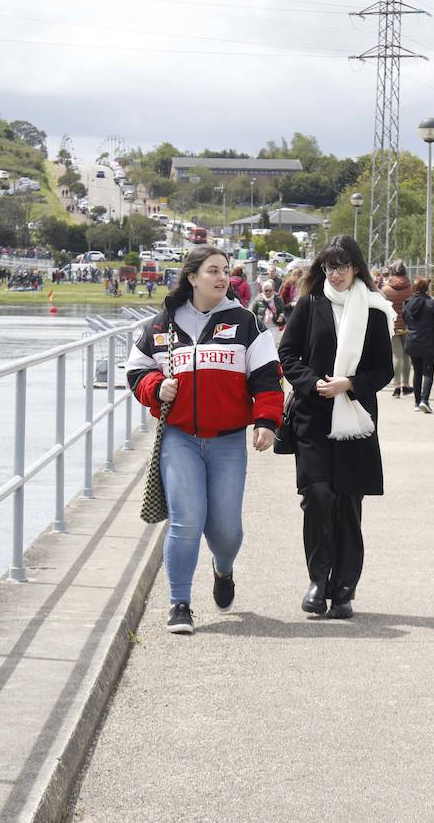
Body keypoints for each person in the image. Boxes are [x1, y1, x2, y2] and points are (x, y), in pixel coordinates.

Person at [126, 246, 284, 634]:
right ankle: (180, 603)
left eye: (226, 271)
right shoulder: (162, 325)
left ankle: (223, 568)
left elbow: (267, 376)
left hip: (228, 441)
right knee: (186, 519)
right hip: (179, 439)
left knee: (225, 529)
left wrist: (266, 420)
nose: (222, 277)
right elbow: (135, 371)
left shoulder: (245, 323)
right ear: (192, 277)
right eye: (213, 270)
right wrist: (154, 387)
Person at [278, 235, 394, 619]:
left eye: (342, 266)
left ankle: (344, 588)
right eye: (328, 267)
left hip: (355, 418)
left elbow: (383, 370)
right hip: (313, 416)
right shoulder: (310, 305)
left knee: (347, 503)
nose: (335, 274)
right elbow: (287, 353)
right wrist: (312, 383)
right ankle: (317, 580)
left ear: (356, 267)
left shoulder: (374, 311)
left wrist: (349, 384)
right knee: (318, 495)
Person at [401, 276, 434, 413]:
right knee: (428, 372)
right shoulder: (432, 304)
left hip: (412, 341)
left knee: (417, 372)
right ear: (426, 289)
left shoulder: (408, 303)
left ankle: (416, 402)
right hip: (429, 342)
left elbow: (405, 318)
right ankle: (424, 400)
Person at [380, 261, 414, 398]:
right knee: (407, 356)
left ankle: (396, 386)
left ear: (392, 272)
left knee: (396, 356)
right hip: (408, 326)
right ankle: (406, 384)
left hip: (393, 326)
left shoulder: (386, 290)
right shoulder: (410, 289)